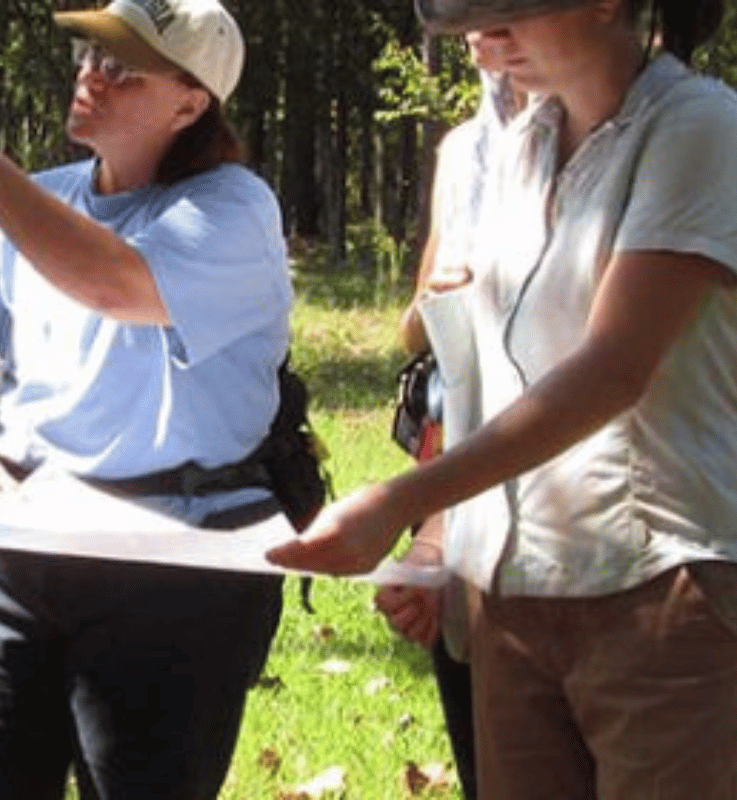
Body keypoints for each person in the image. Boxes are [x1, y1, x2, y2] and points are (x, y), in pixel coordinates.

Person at [269, 0, 737, 797]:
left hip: (661, 593)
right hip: (506, 603)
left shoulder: (699, 128)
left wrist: (397, 500)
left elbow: (613, 369)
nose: (481, 36)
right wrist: (440, 541)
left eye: (507, 9)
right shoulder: (508, 155)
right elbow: (477, 374)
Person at [0, 1, 291, 797]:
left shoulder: (233, 211)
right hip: (19, 556)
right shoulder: (32, 204)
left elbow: (114, 282)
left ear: (190, 104)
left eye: (124, 68)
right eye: (90, 54)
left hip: (176, 571)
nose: (92, 74)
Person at [378, 41, 522, 800]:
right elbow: (416, 333)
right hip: (458, 485)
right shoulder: (465, 152)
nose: (478, 37)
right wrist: (438, 291)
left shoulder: (682, 133)